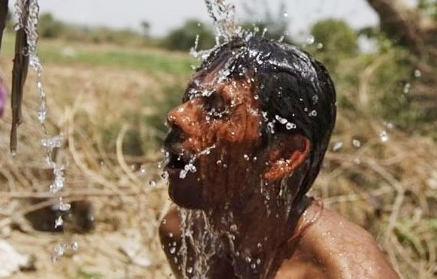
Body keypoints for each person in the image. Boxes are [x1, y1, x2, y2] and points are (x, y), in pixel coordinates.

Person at [159, 35, 399, 278]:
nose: (177, 115)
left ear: (282, 156)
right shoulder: (184, 234)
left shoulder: (346, 271)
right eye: (191, 96)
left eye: (218, 108)